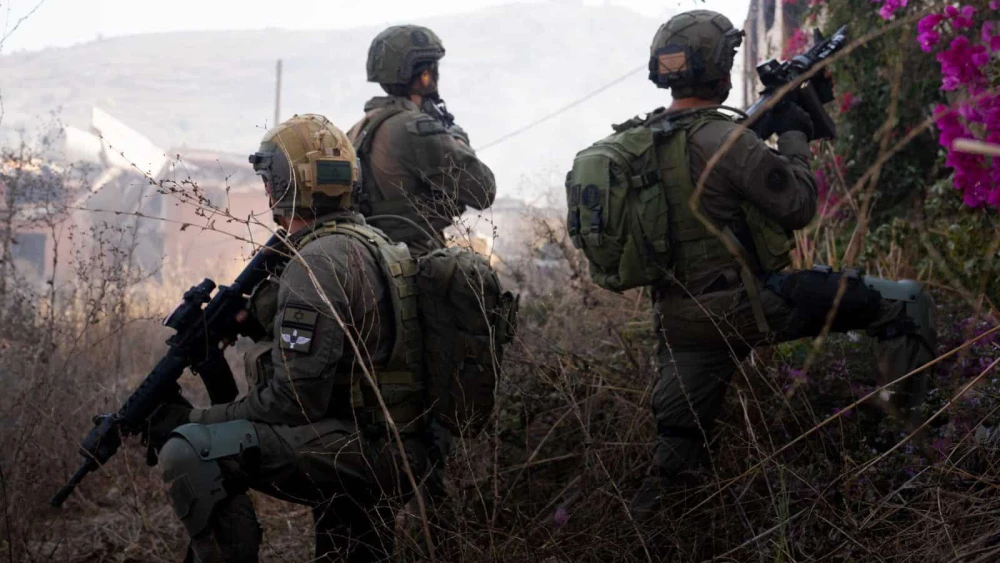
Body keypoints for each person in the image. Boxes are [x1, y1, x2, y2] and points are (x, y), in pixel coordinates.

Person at [564, 10, 938, 520]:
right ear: (720, 68)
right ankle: (905, 449)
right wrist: (794, 135)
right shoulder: (725, 139)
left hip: (682, 323)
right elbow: (799, 206)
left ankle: (644, 537)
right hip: (749, 307)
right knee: (907, 303)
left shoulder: (645, 140)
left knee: (674, 467)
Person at [146, 114, 429, 562]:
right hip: (395, 441)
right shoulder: (372, 241)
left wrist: (195, 419)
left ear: (279, 187)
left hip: (369, 450)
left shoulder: (316, 262)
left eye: (268, 180)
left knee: (190, 451)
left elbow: (292, 401)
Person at [347, 24, 497, 255]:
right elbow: (483, 190)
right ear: (424, 77)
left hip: (376, 255)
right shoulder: (415, 128)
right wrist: (457, 139)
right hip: (415, 259)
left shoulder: (359, 129)